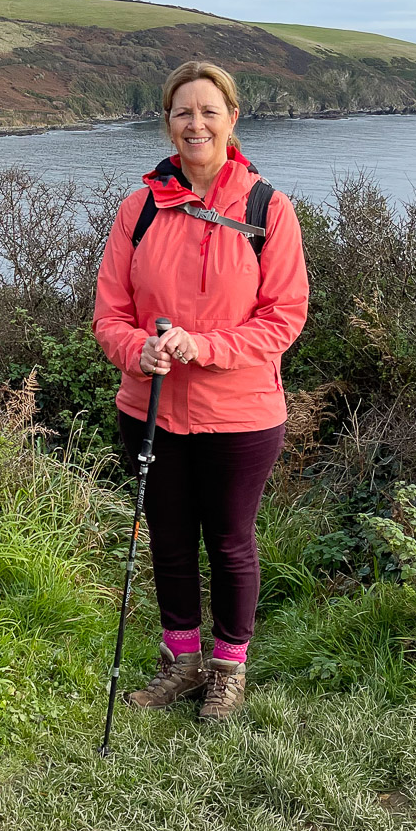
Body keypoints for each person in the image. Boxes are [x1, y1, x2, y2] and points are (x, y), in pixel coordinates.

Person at [92, 60, 309, 722]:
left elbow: (284, 317)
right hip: (150, 409)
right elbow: (110, 315)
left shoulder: (268, 209)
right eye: (183, 111)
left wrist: (204, 347)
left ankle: (228, 670)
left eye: (209, 111)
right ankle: (181, 663)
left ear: (232, 118)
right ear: (167, 121)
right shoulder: (139, 209)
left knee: (230, 541)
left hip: (241, 413)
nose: (196, 124)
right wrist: (139, 349)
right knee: (168, 537)